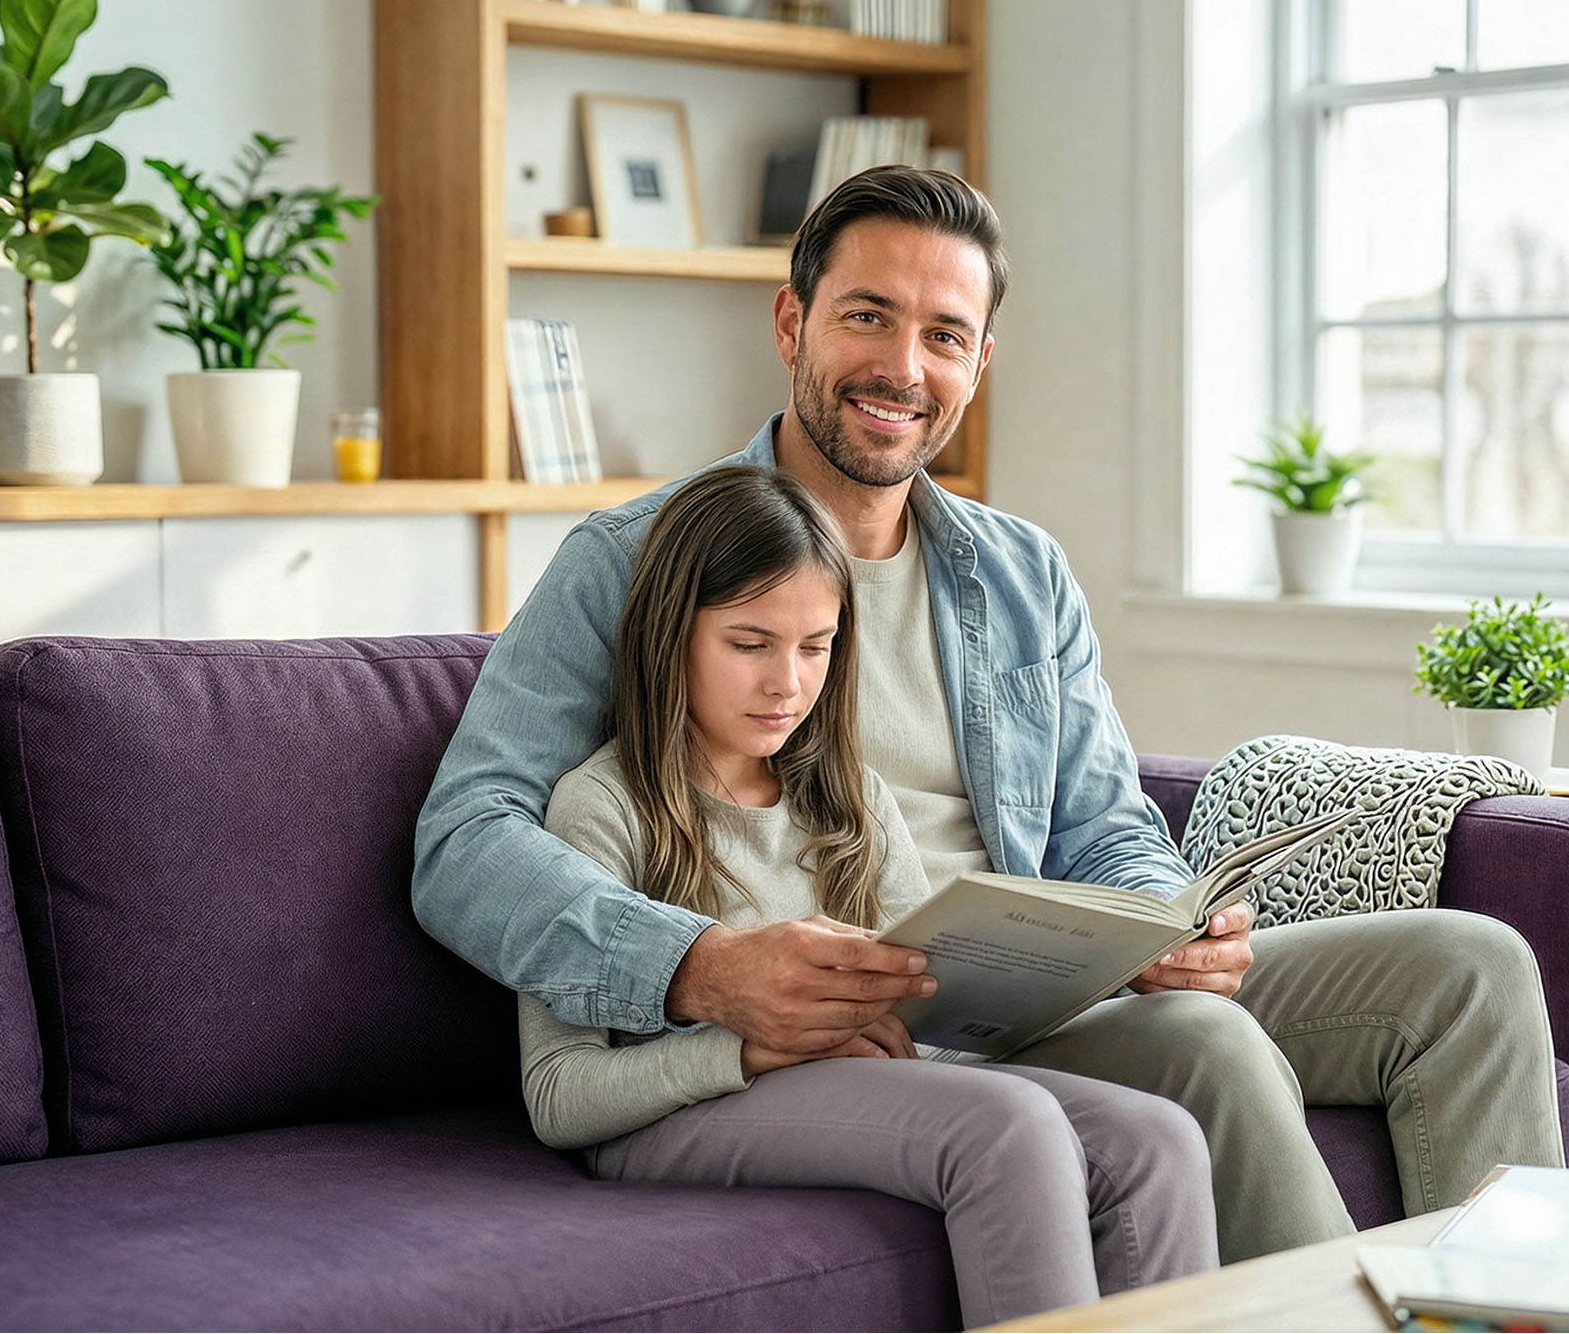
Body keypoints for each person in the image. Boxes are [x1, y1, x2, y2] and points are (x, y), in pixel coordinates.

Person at [416, 165, 1566, 1264]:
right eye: (867, 316)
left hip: (1046, 990)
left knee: (1471, 965)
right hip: (871, 1025)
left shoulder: (1021, 572)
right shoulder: (635, 563)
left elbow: (1103, 821)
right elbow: (466, 841)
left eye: (943, 335)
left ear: (979, 360)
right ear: (791, 324)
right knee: (1205, 1048)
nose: (902, 366)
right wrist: (699, 966)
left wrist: (1162, 921)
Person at [515, 462, 1218, 1326]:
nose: (787, 684)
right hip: (685, 1108)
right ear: (671, 637)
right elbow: (558, 1093)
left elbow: (920, 1027)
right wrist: (747, 1051)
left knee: (1157, 1140)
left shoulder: (852, 796)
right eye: (749, 644)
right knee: (1010, 1131)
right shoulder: (600, 805)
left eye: (817, 648)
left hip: (846, 1088)